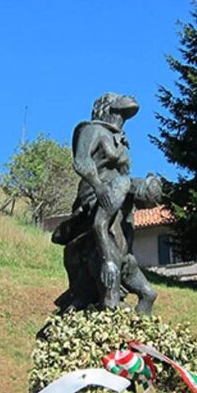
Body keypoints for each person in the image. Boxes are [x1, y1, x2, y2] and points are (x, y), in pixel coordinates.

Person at [53, 93, 158, 314]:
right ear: (107, 106)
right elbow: (81, 162)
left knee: (119, 242)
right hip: (96, 194)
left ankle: (130, 323)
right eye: (118, 99)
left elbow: (123, 177)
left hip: (117, 197)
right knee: (99, 236)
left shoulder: (120, 140)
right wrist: (99, 187)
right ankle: (98, 290)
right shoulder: (92, 130)